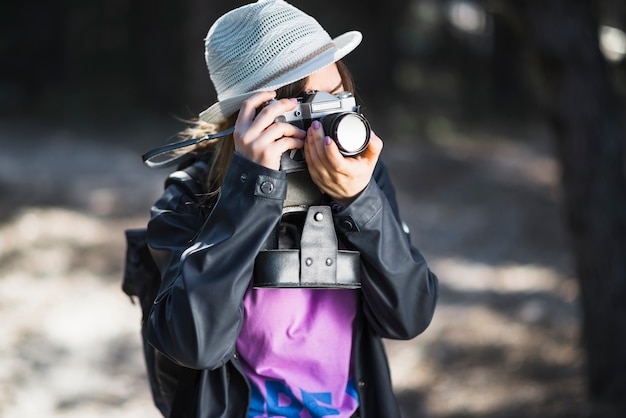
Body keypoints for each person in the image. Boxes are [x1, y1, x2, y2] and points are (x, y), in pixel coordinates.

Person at [145, 1, 438, 417]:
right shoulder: (192, 194)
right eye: (304, 108)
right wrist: (249, 195)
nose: (325, 124)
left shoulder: (360, 177)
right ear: (249, 118)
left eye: (336, 100)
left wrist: (360, 202)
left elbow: (409, 317)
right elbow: (196, 345)